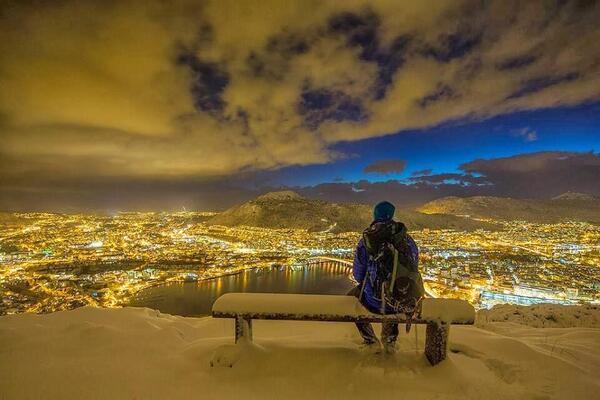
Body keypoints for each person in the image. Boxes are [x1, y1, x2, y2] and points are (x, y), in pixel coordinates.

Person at [348, 200, 421, 354]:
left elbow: (358, 275)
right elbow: (413, 269)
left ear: (375, 215)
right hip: (399, 300)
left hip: (372, 301)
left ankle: (370, 340)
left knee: (350, 299)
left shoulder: (367, 240)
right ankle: (390, 340)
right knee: (394, 291)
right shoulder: (407, 240)